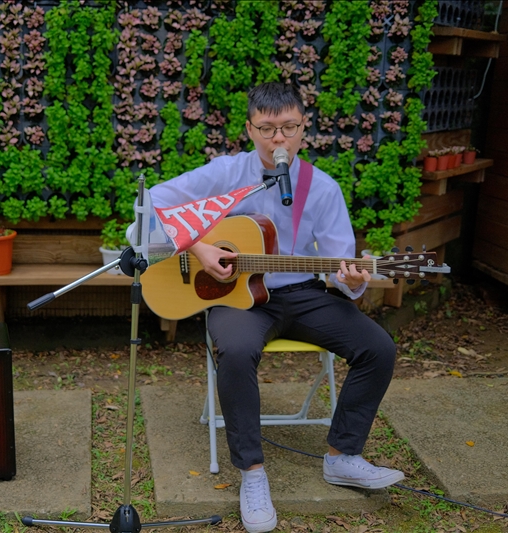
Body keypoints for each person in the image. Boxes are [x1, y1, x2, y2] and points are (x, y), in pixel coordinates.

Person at [148, 81, 403, 533]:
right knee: (236, 350)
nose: (278, 139)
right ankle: (252, 474)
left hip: (302, 294)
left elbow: (341, 264)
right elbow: (152, 202)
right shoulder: (226, 172)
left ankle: (342, 456)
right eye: (267, 129)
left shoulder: (321, 188)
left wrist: (352, 280)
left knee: (378, 347)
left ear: (304, 128)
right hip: (238, 297)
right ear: (250, 130)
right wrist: (200, 247)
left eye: (289, 127)